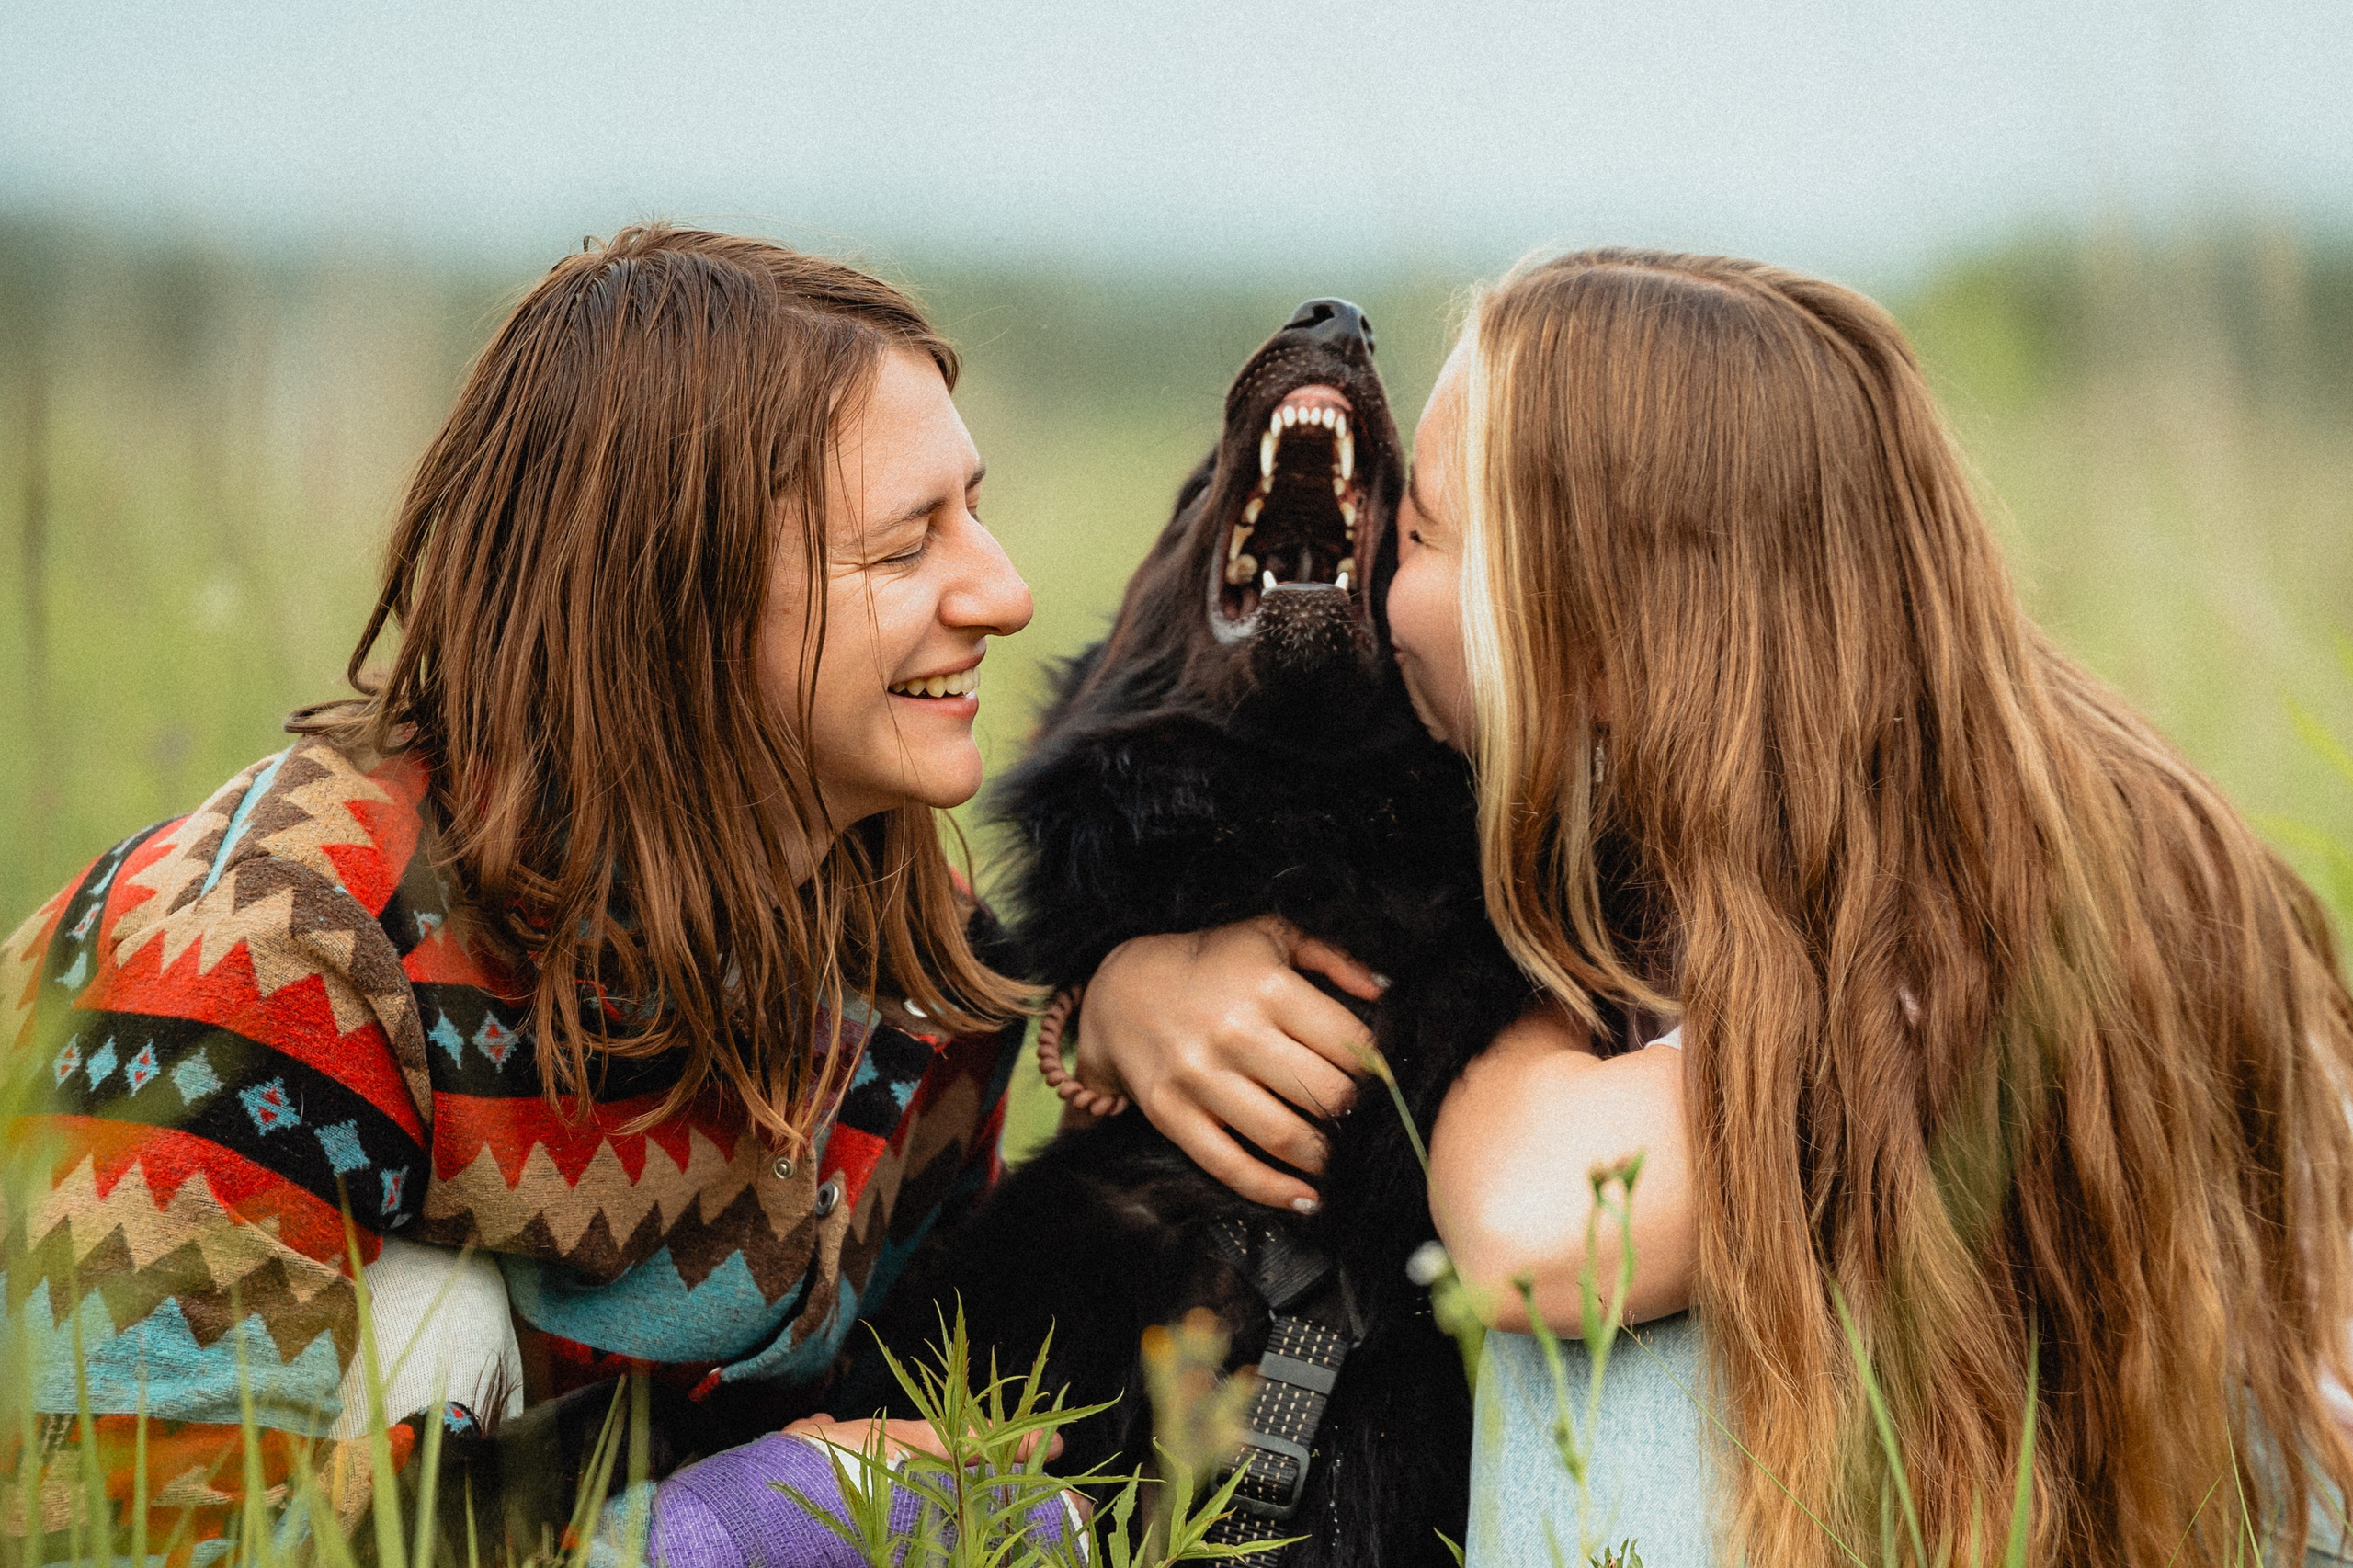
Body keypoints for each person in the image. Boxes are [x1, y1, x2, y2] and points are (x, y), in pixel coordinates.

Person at [1078, 250, 2353, 1566]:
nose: (1380, 595)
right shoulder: (1838, 808)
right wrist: (1114, 1004)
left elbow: (1534, 1224)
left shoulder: (1954, 920)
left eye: (1420, 538)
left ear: (1605, 629)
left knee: (1611, 1329)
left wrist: (1437, 950)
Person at [0, 225, 1078, 1564]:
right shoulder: (281, 955)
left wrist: (1131, 988)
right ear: (676, 601)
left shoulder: (913, 954)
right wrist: (732, 1530)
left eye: (975, 509)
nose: (1008, 590)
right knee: (429, 1321)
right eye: (905, 548)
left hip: (559, 1511)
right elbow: (112, 1532)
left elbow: (920, 1415)